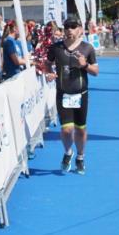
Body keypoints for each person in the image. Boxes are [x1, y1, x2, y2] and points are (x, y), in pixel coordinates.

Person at [46, 17, 98, 175]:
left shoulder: (87, 48)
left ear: (80, 29)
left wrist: (85, 65)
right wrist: (49, 72)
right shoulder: (56, 48)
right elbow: (48, 63)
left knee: (80, 130)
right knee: (67, 130)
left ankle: (81, 157)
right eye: (67, 26)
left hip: (81, 95)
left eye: (73, 26)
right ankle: (68, 152)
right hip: (63, 94)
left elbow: (95, 72)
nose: (69, 29)